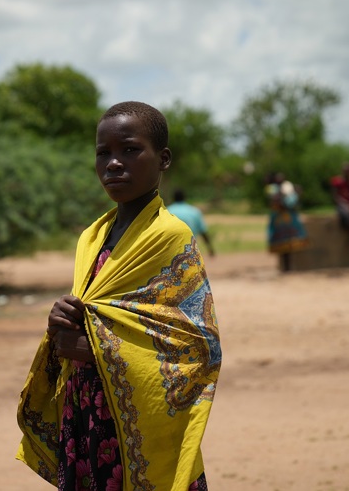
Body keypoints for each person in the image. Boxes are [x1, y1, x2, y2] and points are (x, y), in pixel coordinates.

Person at [16, 101, 222, 491]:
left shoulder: (169, 236)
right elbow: (102, 312)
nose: (113, 163)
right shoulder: (92, 236)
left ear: (163, 159)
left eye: (130, 150)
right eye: (103, 153)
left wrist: (95, 349)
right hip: (86, 409)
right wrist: (62, 318)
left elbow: (196, 346)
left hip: (135, 415)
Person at [265, 172, 308, 272]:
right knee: (281, 246)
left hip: (288, 222)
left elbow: (291, 204)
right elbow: (275, 200)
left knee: (290, 245)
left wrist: (295, 194)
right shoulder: (272, 189)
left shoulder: (288, 189)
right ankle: (284, 267)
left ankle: (289, 267)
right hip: (279, 222)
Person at [167, 188, 215, 256]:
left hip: (171, 250)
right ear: (185, 197)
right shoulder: (194, 211)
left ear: (173, 198)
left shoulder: (167, 211)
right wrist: (210, 248)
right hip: (190, 250)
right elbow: (203, 232)